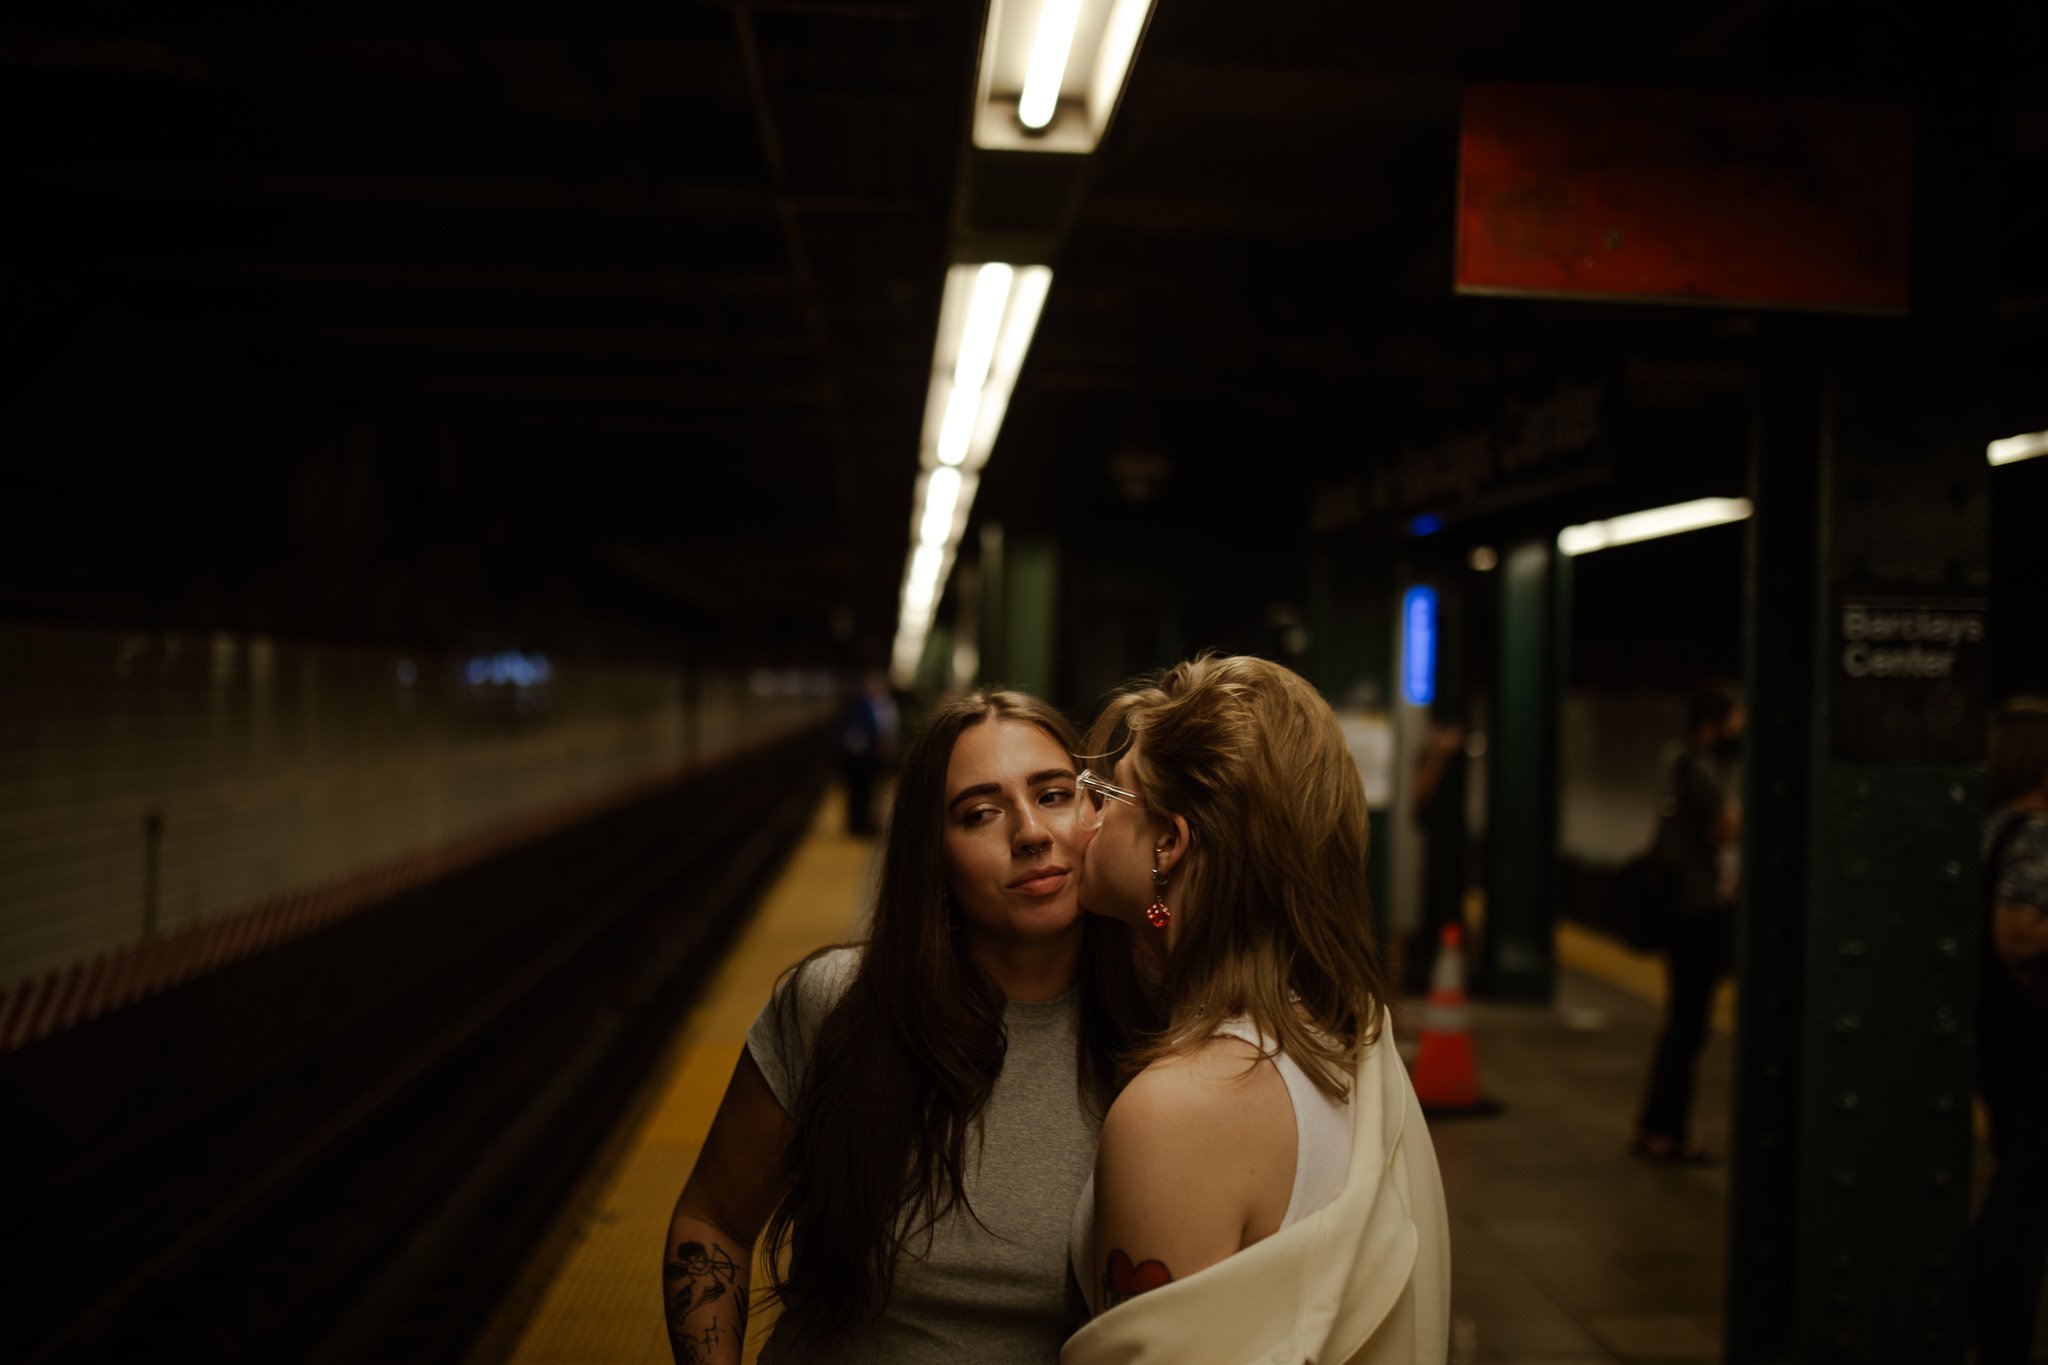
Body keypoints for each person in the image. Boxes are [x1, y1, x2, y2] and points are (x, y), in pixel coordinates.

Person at [662, 689, 1151, 1365]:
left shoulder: (1159, 1032)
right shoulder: (837, 1004)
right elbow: (712, 1219)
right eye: (979, 813)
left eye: (1055, 794)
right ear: (935, 857)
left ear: (1097, 810)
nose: (1030, 832)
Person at [1061, 654, 1450, 1365]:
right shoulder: (1348, 1037)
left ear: (1169, 844)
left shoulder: (1179, 1111)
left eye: (1109, 794)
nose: (1082, 817)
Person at [1629, 684, 1743, 1166]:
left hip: (1681, 908)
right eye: (1738, 717)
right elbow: (1724, 828)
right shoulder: (1699, 767)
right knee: (1688, 1025)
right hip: (1696, 912)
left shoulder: (1676, 760)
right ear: (1713, 721)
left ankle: (1657, 1126)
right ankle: (1666, 1132)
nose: (1743, 727)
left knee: (1682, 1022)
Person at [1971, 697, 2048, 1365]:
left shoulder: (1987, 826)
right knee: (2027, 1197)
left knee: (2012, 1178)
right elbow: (2019, 933)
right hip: (2035, 1037)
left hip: (1995, 1034)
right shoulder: (2036, 831)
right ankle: (2001, 1338)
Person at [838, 672, 899, 835]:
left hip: (872, 756)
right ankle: (857, 824)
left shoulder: (882, 705)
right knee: (859, 790)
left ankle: (864, 822)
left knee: (869, 790)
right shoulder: (862, 705)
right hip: (860, 757)